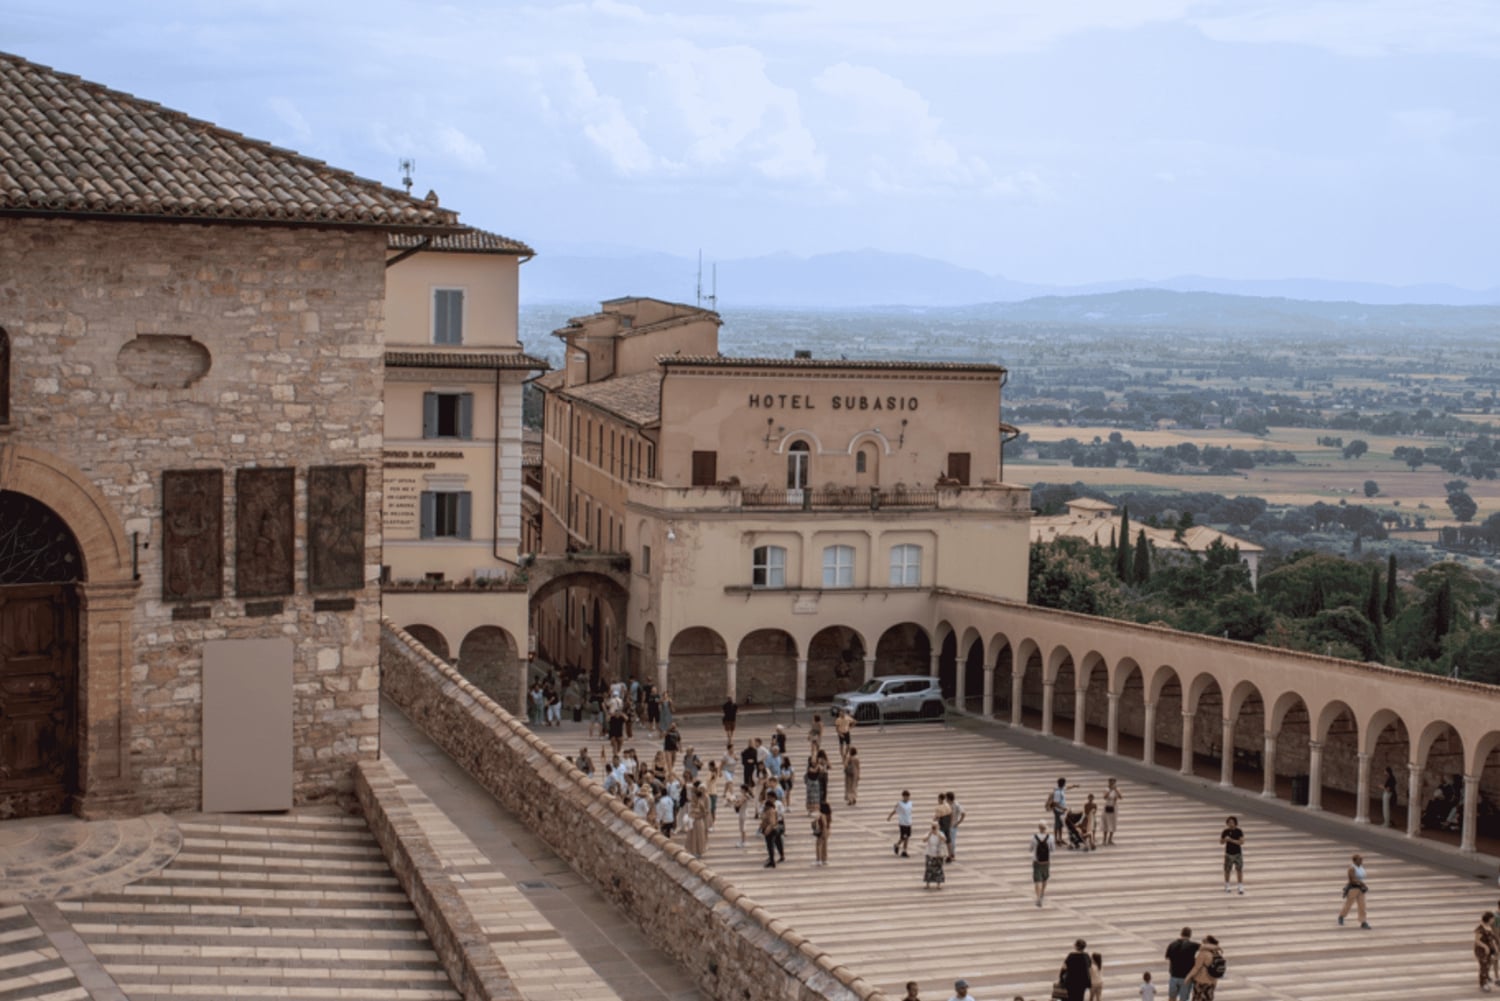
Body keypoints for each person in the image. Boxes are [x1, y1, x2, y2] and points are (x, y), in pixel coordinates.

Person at [1337, 852, 1370, 929]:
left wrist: (1362, 885)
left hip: (1361, 889)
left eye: (1361, 859)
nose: (1361, 861)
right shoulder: (1351, 868)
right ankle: (1341, 916)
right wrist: (1362, 884)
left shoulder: (1361, 867)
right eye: (1359, 860)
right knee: (1348, 905)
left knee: (1362, 906)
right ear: (1354, 861)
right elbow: (1352, 880)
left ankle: (1363, 922)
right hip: (1353, 888)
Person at [1163, 928, 1198, 1001]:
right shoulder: (1192, 945)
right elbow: (1204, 947)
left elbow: (1167, 958)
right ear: (1190, 935)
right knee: (1183, 999)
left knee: (1172, 998)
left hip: (1174, 976)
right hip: (1186, 977)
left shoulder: (1172, 944)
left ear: (1181, 933)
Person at [1184, 935, 1222, 1001]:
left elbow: (1196, 968)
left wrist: (1188, 977)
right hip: (1212, 982)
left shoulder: (1203, 953)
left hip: (1201, 982)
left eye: (1204, 941)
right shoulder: (1216, 953)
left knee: (1198, 998)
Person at [1031, 820, 1053, 907]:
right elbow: (1052, 849)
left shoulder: (1034, 838)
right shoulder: (1050, 838)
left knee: (1037, 880)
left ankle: (1038, 898)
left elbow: (1030, 849)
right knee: (1045, 878)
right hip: (1046, 861)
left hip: (1037, 861)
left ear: (1039, 828)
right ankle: (1042, 892)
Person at [1220, 817, 1245, 894]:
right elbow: (1221, 842)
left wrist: (1231, 840)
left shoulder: (1239, 831)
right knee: (1227, 870)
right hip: (1228, 853)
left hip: (1237, 853)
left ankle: (1240, 885)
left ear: (1235, 823)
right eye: (1229, 822)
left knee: (1239, 869)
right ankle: (1227, 885)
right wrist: (1225, 840)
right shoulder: (1225, 831)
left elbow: (1241, 842)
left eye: (1232, 822)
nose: (1230, 824)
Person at [1476, 911, 1498, 993]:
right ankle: (1483, 983)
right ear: (1489, 919)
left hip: (1490, 949)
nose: (1493, 920)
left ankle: (1485, 979)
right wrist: (1485, 947)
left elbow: (1492, 939)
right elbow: (1477, 941)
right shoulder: (1480, 929)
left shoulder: (1489, 927)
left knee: (1488, 965)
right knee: (1484, 966)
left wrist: (1495, 948)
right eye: (1492, 918)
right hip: (1481, 951)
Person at [758, 792, 781, 868]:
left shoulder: (770, 811)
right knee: (770, 846)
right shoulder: (771, 811)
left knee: (770, 846)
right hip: (770, 830)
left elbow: (772, 822)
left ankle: (772, 861)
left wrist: (767, 830)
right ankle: (771, 860)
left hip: (770, 831)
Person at [889, 789, 914, 857]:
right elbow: (895, 810)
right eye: (906, 796)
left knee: (907, 837)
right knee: (903, 837)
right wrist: (890, 816)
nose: (907, 798)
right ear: (903, 796)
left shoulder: (910, 803)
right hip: (902, 823)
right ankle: (898, 846)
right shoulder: (900, 803)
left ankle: (904, 850)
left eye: (908, 796)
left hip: (909, 822)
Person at [923, 821, 946, 888]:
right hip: (930, 853)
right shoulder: (929, 833)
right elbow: (924, 840)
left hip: (938, 854)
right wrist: (930, 833)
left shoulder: (941, 833)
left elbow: (944, 839)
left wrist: (938, 833)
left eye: (935, 826)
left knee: (938, 869)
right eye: (933, 826)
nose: (934, 828)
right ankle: (928, 884)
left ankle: (938, 884)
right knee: (928, 869)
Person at [1102, 778, 1122, 845]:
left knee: (1113, 823)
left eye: (1113, 782)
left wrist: (1116, 790)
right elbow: (1104, 797)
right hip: (1107, 806)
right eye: (1111, 782)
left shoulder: (1117, 789)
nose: (1112, 784)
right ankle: (1104, 840)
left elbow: (1121, 797)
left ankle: (1110, 839)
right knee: (1106, 823)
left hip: (1114, 807)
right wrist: (1110, 790)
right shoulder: (1106, 789)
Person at [946, 791, 964, 862]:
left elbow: (963, 813)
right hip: (946, 825)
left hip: (953, 826)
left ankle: (952, 855)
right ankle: (949, 854)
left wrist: (958, 822)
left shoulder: (956, 805)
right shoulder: (946, 804)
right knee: (946, 841)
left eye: (947, 798)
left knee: (952, 841)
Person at [812, 801, 832, 866]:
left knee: (818, 845)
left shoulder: (822, 815)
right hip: (828, 831)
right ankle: (824, 859)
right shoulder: (829, 815)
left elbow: (824, 823)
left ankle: (819, 860)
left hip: (822, 831)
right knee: (825, 845)